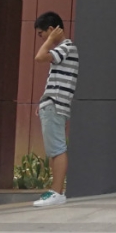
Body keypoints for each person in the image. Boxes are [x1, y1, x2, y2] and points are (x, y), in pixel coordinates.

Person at [31, 11, 79, 207]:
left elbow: (39, 57)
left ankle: (57, 192)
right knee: (54, 149)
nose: (41, 38)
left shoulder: (65, 47)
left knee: (57, 149)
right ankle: (55, 190)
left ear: (51, 29)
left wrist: (50, 40)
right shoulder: (66, 49)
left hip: (55, 103)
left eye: (41, 33)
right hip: (55, 103)